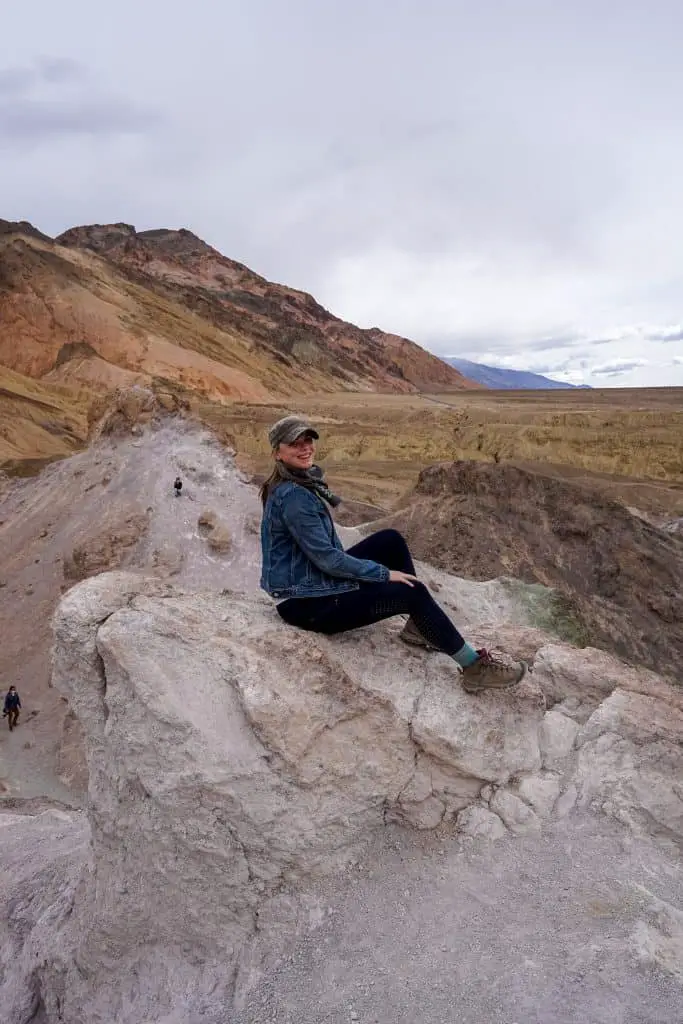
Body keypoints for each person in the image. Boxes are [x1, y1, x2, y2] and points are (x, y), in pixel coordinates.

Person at [259, 416, 527, 693]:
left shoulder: (295, 484)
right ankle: (474, 668)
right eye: (295, 444)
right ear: (278, 451)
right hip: (306, 606)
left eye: (308, 441)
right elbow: (328, 559)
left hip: (311, 584)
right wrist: (384, 574)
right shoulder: (294, 497)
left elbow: (322, 556)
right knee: (411, 591)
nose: (305, 448)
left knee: (390, 540)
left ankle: (419, 626)